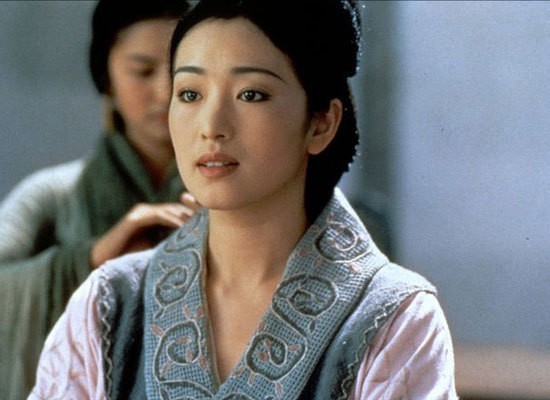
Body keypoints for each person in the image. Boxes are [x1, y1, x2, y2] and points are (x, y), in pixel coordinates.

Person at [30, 0, 458, 398]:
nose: (211, 126)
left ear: (321, 123)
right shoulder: (108, 304)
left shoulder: (396, 318)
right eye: (190, 94)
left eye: (251, 94)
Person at [0, 1, 196, 399]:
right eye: (143, 71)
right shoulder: (52, 195)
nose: (165, 91)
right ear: (106, 77)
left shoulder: (236, 196)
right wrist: (89, 260)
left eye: (182, 71)